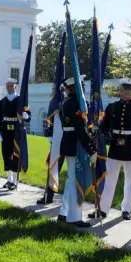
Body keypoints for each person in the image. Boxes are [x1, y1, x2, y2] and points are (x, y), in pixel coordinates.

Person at [89, 79, 131, 221]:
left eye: (130, 90)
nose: (127, 92)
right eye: (124, 89)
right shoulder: (112, 107)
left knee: (130, 181)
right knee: (109, 180)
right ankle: (102, 210)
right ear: (120, 91)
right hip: (115, 147)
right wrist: (97, 129)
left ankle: (126, 209)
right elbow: (105, 126)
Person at [57, 75, 98, 228]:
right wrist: (92, 149)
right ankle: (74, 217)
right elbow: (80, 130)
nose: (84, 88)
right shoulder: (76, 104)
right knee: (76, 180)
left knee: (70, 179)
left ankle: (63, 212)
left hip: (69, 143)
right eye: (81, 85)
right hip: (75, 144)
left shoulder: (66, 102)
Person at [0, 78, 30, 190]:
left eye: (11, 85)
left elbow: (28, 114)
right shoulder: (3, 101)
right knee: (6, 155)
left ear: (15, 87)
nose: (9, 87)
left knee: (15, 155)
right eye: (8, 85)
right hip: (6, 132)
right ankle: (9, 179)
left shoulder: (20, 100)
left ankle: (15, 181)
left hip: (16, 131)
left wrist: (26, 116)